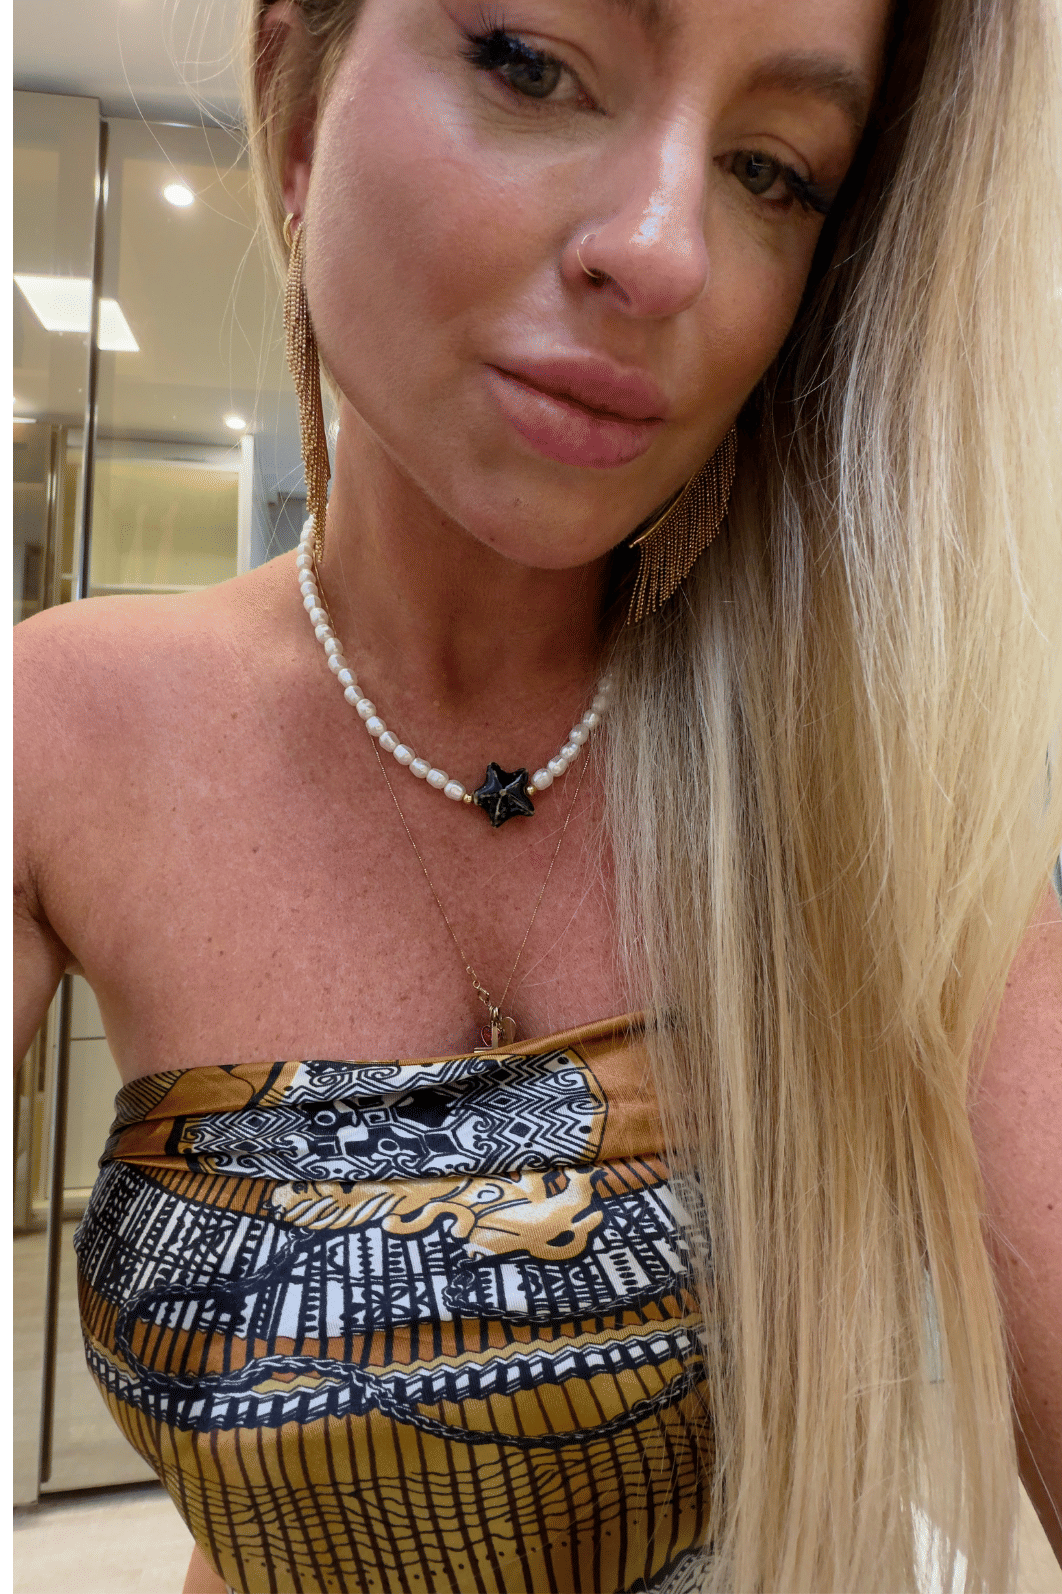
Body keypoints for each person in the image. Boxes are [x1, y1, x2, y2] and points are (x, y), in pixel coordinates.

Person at [13, 0, 1062, 1587]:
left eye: (772, 169)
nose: (663, 253)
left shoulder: (862, 781)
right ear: (296, 117)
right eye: (525, 61)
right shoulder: (58, 727)